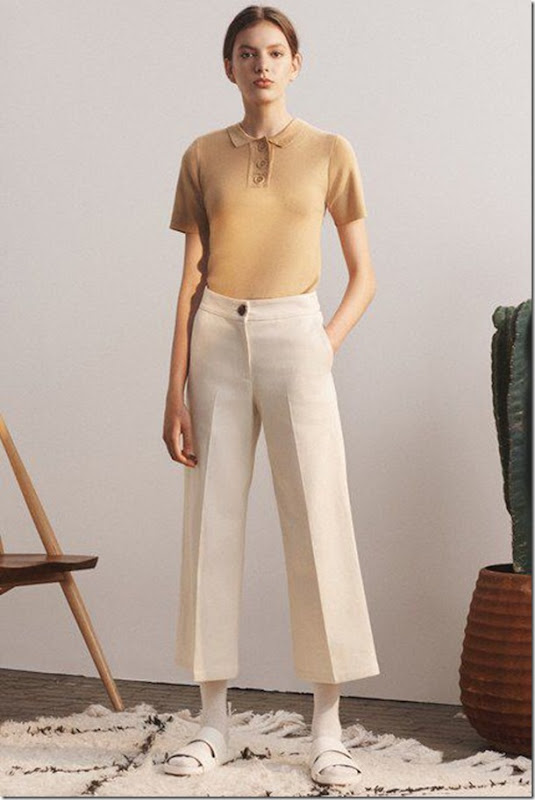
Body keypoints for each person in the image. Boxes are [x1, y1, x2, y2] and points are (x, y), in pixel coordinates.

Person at [162, 4, 380, 787]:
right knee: (211, 525)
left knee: (318, 519)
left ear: (295, 64)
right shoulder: (201, 155)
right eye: (247, 53)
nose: (261, 65)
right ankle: (211, 722)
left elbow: (364, 275)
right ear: (228, 66)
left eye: (275, 52)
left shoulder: (328, 151)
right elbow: (190, 277)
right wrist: (174, 390)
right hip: (216, 335)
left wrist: (323, 341)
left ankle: (328, 727)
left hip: (296, 333)